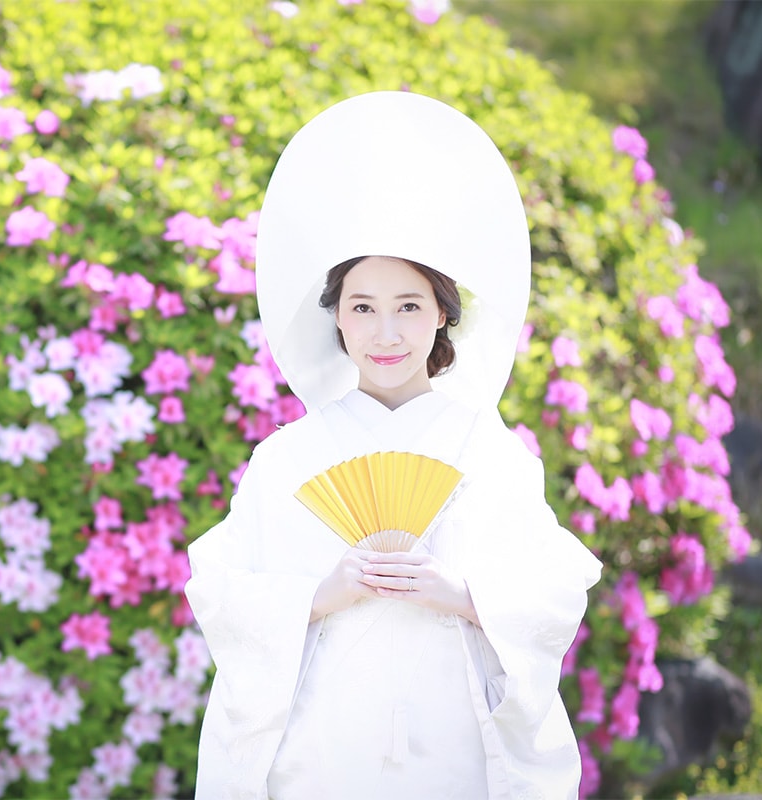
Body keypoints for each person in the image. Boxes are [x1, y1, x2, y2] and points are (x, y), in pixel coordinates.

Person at [184, 92, 603, 800]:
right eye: (363, 308)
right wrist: (318, 597)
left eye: (408, 307)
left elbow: (557, 585)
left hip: (454, 745)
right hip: (321, 747)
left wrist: (467, 595)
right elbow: (221, 591)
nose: (386, 334)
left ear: (442, 313)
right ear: (338, 321)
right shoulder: (288, 459)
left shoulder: (488, 451)